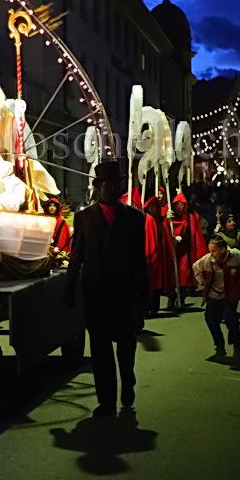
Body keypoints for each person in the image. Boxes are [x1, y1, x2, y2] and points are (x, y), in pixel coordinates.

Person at [63, 160, 149, 417]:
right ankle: (107, 400)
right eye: (105, 185)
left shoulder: (135, 218)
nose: (110, 189)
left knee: (125, 345)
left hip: (124, 293)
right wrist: (69, 288)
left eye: (114, 185)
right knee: (100, 349)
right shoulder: (83, 218)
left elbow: (139, 259)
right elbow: (76, 255)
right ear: (97, 187)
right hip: (96, 293)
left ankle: (128, 380)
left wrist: (143, 296)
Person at [193, 235, 240, 359]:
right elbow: (196, 267)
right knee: (210, 320)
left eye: (214, 251)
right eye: (210, 251)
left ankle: (237, 346)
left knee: (230, 317)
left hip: (229, 293)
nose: (211, 254)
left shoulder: (236, 256)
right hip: (214, 294)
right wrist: (203, 281)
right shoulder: (208, 260)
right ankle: (219, 346)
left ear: (223, 249)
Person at [169, 192, 208, 307]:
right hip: (172, 251)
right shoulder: (171, 217)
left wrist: (180, 238)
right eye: (177, 204)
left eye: (181, 204)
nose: (179, 207)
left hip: (183, 250)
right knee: (171, 277)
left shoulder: (189, 217)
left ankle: (181, 298)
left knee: (183, 276)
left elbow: (190, 233)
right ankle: (172, 298)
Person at [143, 195, 175, 316]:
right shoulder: (145, 220)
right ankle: (146, 307)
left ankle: (154, 307)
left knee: (158, 282)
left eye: (155, 207)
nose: (153, 209)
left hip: (161, 256)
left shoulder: (163, 221)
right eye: (150, 207)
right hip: (149, 255)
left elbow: (167, 239)